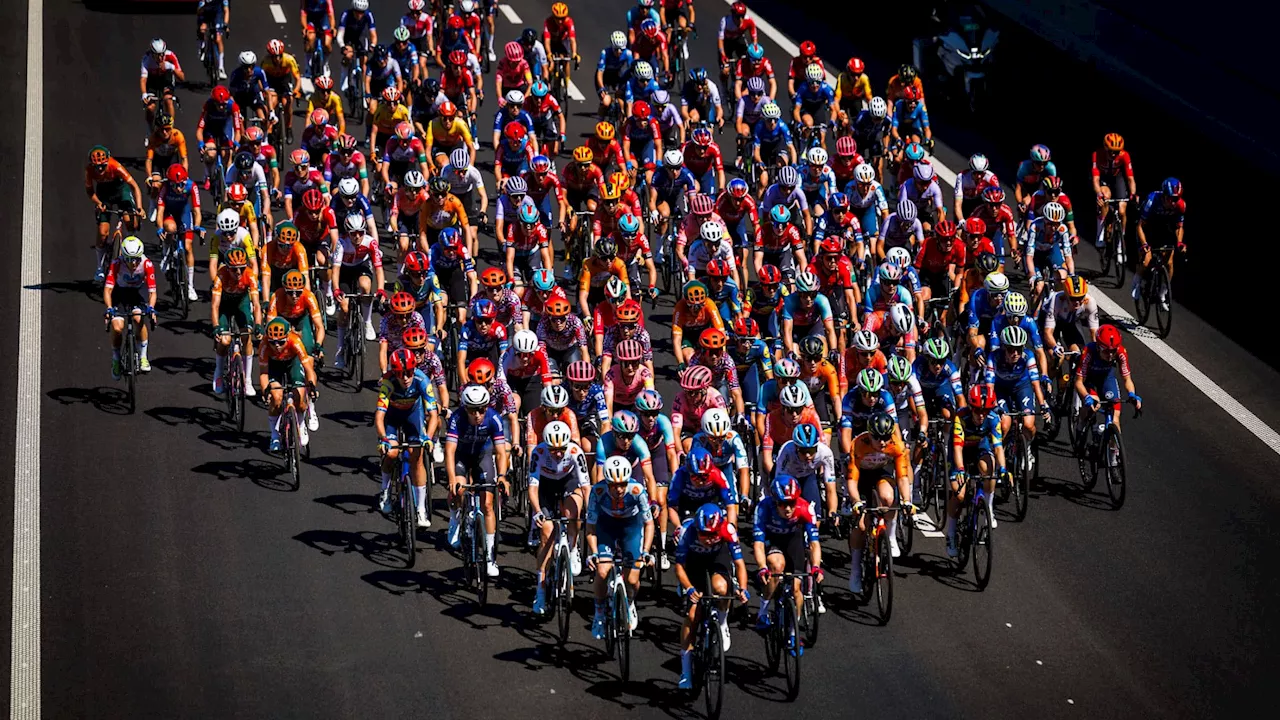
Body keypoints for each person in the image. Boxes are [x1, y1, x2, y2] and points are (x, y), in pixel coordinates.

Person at [674, 502, 749, 689]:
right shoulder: (687, 532)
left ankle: (722, 623)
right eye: (704, 534)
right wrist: (689, 588)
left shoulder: (727, 530)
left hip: (718, 560)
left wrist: (743, 588)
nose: (708, 539)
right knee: (692, 616)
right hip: (694, 564)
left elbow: (739, 564)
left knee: (721, 588)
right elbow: (679, 567)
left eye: (713, 535)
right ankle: (685, 670)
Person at [445, 384, 512, 577]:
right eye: (473, 410)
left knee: (488, 505)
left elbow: (500, 453)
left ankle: (490, 558)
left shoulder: (494, 419)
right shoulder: (457, 419)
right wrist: (451, 479)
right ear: (465, 408)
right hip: (461, 457)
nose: (477, 414)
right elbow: (449, 451)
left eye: (482, 409)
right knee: (458, 490)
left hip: (482, 456)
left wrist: (502, 476)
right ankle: (455, 518)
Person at [585, 456, 655, 640]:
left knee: (633, 579)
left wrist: (646, 551)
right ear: (607, 483)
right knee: (602, 571)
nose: (619, 489)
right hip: (606, 527)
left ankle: (630, 603)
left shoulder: (637, 490)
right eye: (614, 485)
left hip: (630, 528)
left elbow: (649, 524)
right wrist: (593, 553)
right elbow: (590, 526)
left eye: (622, 484)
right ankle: (599, 612)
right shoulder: (597, 491)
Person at [529, 421, 592, 614]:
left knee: (573, 514)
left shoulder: (574, 451)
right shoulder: (538, 453)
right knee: (547, 532)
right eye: (553, 449)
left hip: (567, 481)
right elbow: (532, 488)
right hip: (546, 486)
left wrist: (590, 511)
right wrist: (538, 512)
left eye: (561, 449)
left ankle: (572, 549)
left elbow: (585, 486)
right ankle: (540, 589)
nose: (557, 453)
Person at [846, 412, 912, 592]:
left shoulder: (896, 445)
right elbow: (851, 481)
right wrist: (856, 501)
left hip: (881, 472)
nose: (882, 442)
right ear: (869, 434)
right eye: (877, 437)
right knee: (861, 525)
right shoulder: (858, 445)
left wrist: (906, 501)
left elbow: (902, 478)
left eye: (886, 437)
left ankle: (889, 535)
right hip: (861, 478)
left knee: (889, 498)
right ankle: (855, 570)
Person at [376, 349, 440, 527]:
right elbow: (379, 416)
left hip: (413, 416)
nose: (405, 378)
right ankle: (385, 490)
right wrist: (384, 439)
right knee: (391, 454)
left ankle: (420, 509)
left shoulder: (422, 380)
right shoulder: (388, 383)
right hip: (392, 417)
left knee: (417, 457)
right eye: (400, 374)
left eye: (409, 373)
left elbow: (433, 415)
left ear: (414, 370)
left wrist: (428, 437)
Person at [753, 475, 824, 629]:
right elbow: (758, 545)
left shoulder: (805, 508)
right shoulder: (763, 508)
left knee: (796, 588)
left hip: (794, 542)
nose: (788, 509)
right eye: (782, 504)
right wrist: (762, 567)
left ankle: (793, 631)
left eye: (791, 503)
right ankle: (763, 612)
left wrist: (816, 566)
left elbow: (814, 543)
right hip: (773, 541)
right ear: (774, 501)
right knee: (777, 566)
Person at [258, 317, 319, 451]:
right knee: (276, 398)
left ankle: (302, 426)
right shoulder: (264, 345)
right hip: (274, 367)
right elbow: (263, 373)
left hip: (293, 363)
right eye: (273, 343)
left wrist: (312, 387)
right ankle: (274, 435)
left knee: (301, 397)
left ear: (287, 337)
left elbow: (309, 369)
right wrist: (265, 390)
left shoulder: (295, 341)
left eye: (280, 342)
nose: (277, 346)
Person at [210, 246, 263, 397]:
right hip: (224, 306)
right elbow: (214, 306)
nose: (238, 272)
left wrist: (258, 325)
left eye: (241, 268)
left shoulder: (250, 275)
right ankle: (219, 373)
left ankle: (247, 381)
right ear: (227, 268)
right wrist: (216, 327)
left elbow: (257, 305)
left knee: (246, 337)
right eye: (234, 269)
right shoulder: (220, 277)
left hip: (241, 303)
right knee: (225, 341)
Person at [103, 237, 158, 379]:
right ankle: (116, 359)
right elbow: (108, 290)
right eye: (129, 259)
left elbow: (152, 292)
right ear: (123, 257)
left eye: (136, 259)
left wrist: (151, 308)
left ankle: (143, 356)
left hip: (137, 293)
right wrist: (109, 308)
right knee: (117, 328)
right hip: (120, 293)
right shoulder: (116, 264)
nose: (133, 263)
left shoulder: (147, 264)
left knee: (138, 319)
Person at [1131, 178, 1186, 311]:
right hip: (1147, 227)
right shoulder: (1152, 201)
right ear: (1164, 196)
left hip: (1164, 227)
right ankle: (1136, 283)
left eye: (1176, 198)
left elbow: (1179, 227)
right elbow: (1140, 226)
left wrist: (1179, 242)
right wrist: (1144, 245)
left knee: (1169, 262)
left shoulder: (1180, 205)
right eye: (1171, 199)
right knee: (1146, 260)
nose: (1174, 202)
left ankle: (1162, 293)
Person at [1092, 133, 1136, 252]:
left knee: (1122, 210)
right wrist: (1099, 194)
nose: (1113, 154)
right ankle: (1100, 234)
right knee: (1105, 197)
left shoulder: (1124, 155)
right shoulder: (1097, 154)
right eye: (1110, 151)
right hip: (1103, 178)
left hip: (1117, 178)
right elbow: (1095, 180)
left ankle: (1121, 242)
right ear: (1105, 148)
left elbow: (1130, 178)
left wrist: (1133, 194)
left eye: (1116, 152)